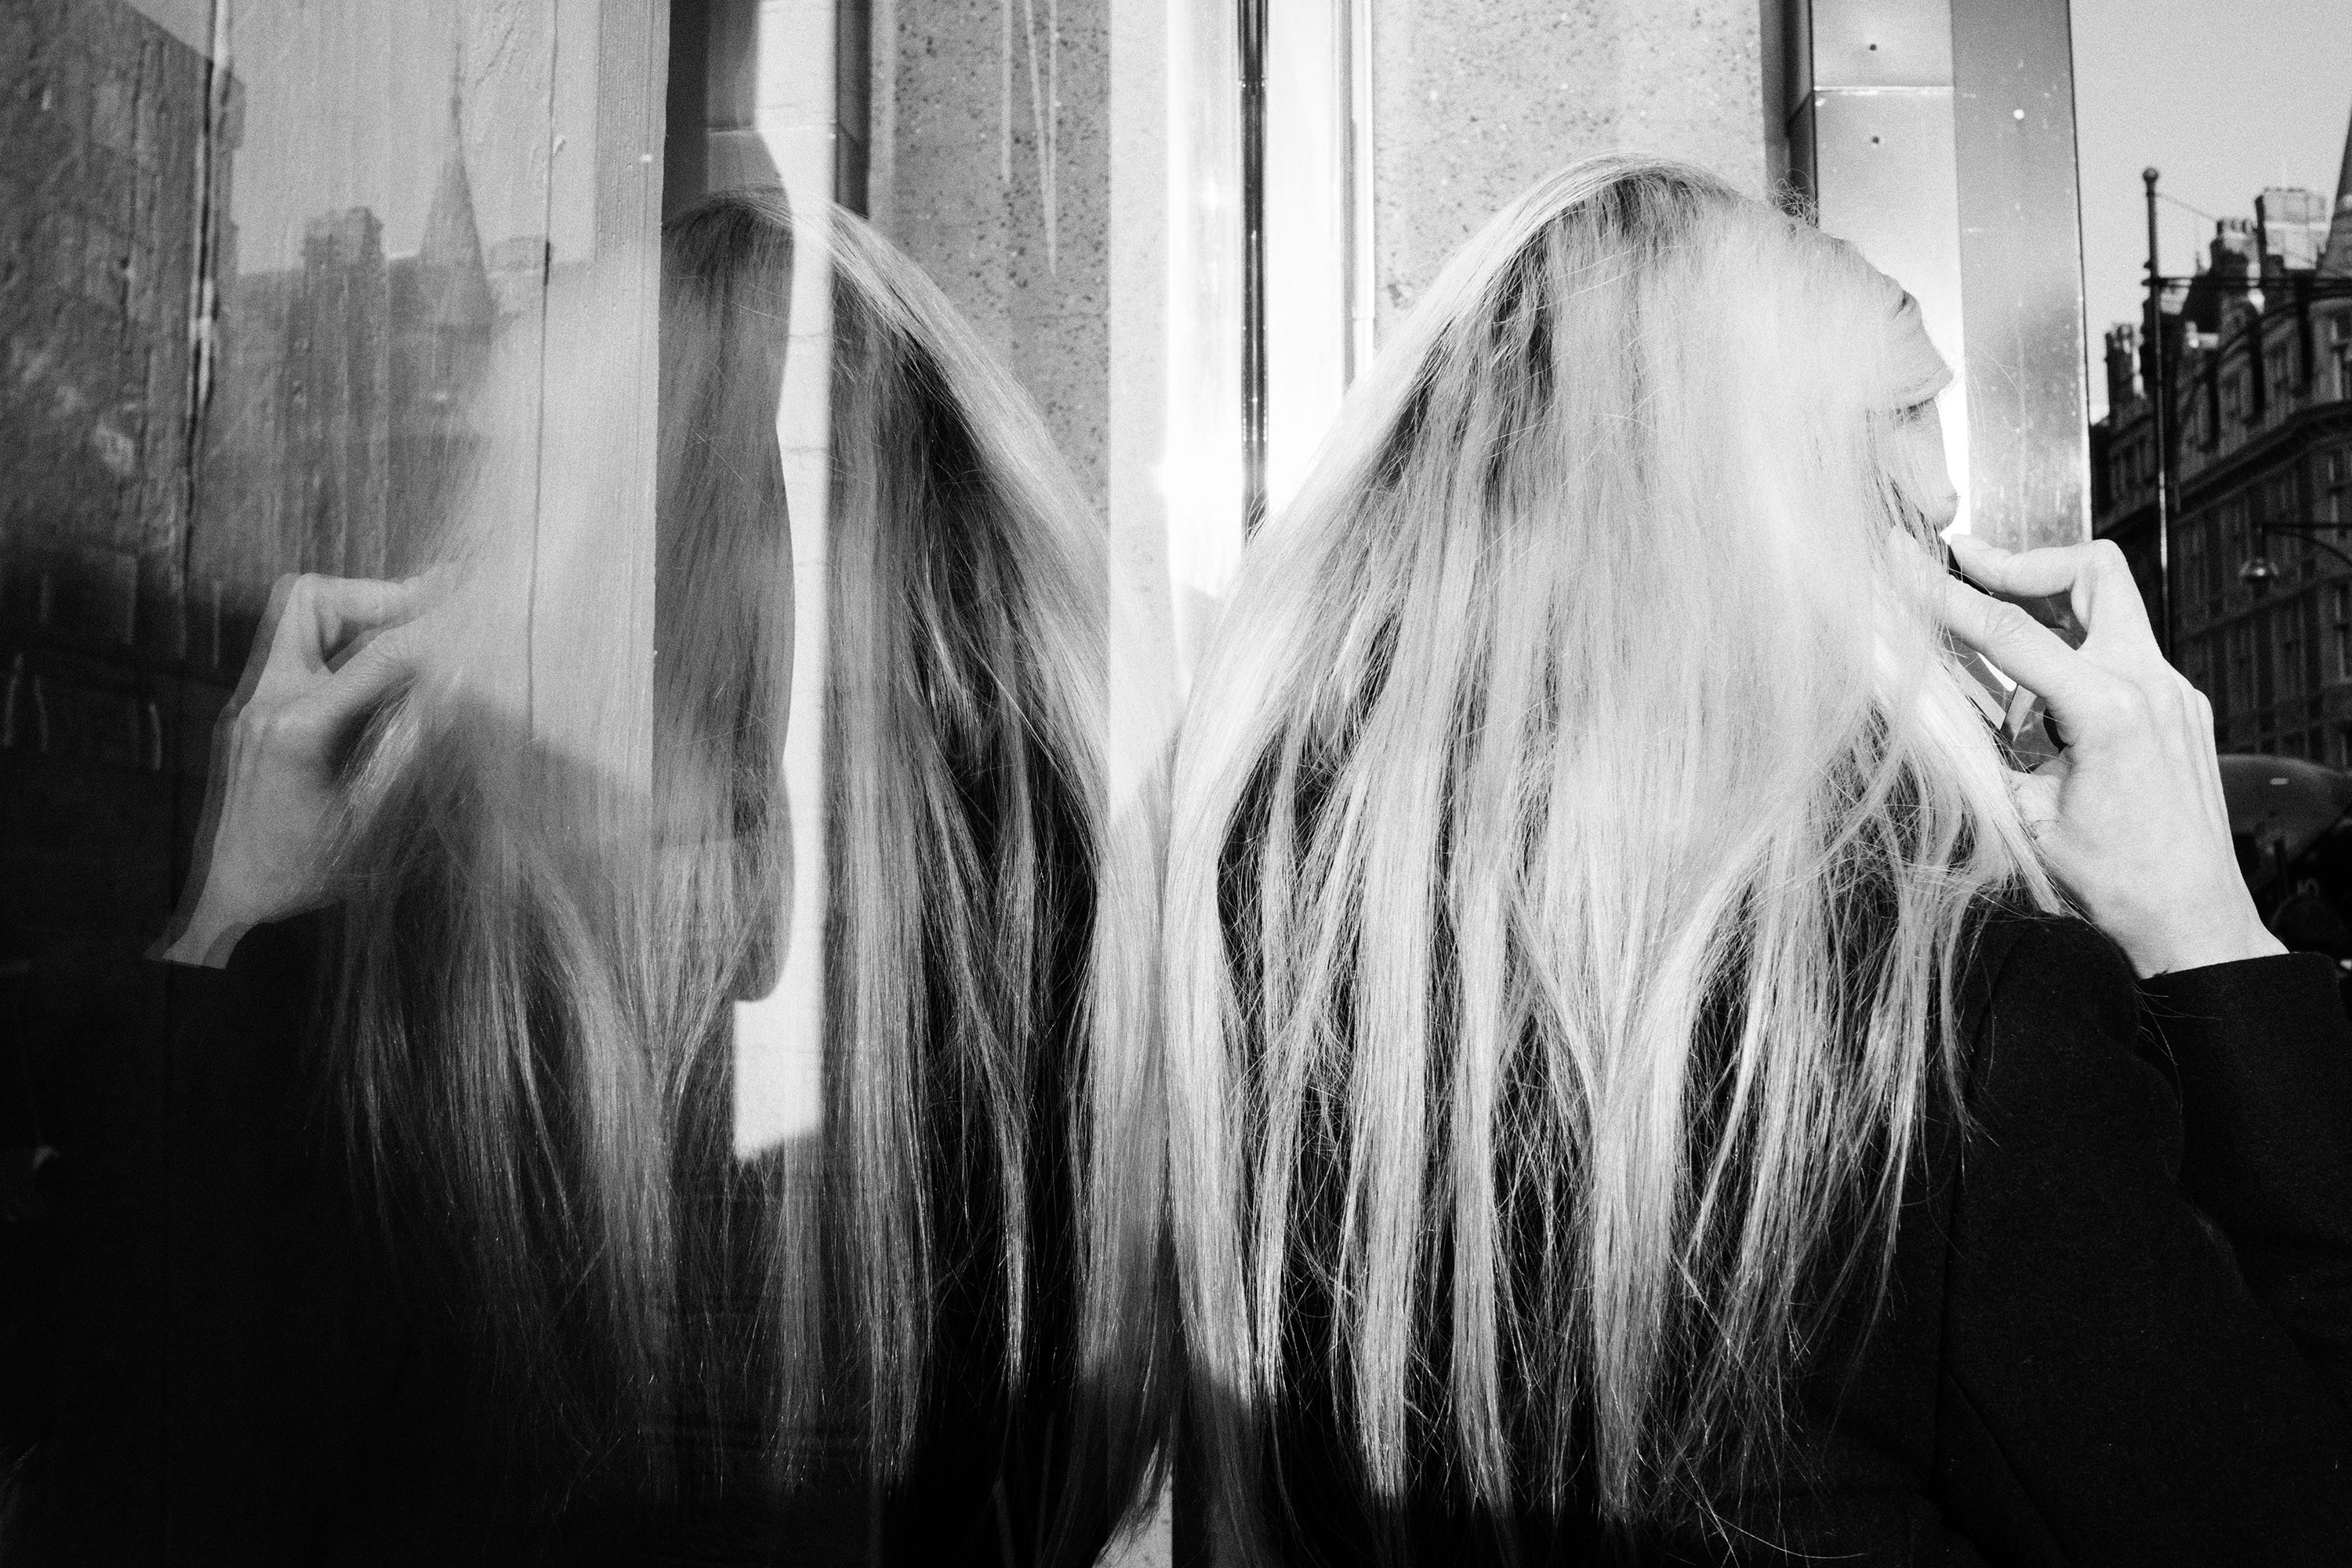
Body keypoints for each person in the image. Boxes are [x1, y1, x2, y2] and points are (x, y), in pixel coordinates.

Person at [1154, 154, 2352, 1564]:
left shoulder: (1280, 941)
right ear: (1764, 531)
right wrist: (2209, 932)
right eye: (1907, 463)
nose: (1951, 535)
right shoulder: (1950, 1032)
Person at [4, 191, 1131, 1566]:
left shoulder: (392, 1105)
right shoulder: (1021, 1099)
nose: (448, 550)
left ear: (580, 589)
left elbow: (126, 1498)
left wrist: (234, 928)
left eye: (497, 484)